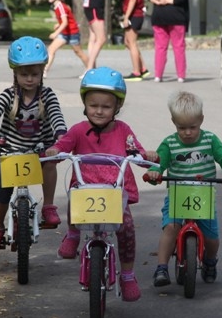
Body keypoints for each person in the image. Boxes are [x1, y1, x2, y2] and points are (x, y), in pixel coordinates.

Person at [44, 68, 157, 302]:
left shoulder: (123, 130)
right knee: (74, 197)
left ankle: (127, 275)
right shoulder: (77, 130)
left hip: (114, 192)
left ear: (117, 108)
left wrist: (147, 156)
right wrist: (55, 150)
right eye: (93, 105)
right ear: (84, 104)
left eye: (106, 107)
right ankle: (73, 234)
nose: (99, 111)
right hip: (86, 188)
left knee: (126, 228)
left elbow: (135, 149)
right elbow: (63, 144)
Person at [0, 37, 68, 258]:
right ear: (15, 73)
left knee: (50, 160)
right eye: (24, 74)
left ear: (42, 73)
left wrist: (62, 139)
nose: (29, 79)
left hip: (39, 149)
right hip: (10, 150)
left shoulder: (47, 96)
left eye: (35, 74)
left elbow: (57, 118)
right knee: (3, 192)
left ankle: (48, 205)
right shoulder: (8, 96)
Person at [146, 90, 222, 286]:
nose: (187, 132)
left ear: (201, 120)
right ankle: (161, 268)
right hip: (177, 194)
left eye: (192, 127)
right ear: (173, 122)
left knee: (212, 237)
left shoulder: (210, 140)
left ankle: (210, 261)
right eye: (182, 127)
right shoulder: (169, 143)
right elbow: (159, 164)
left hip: (203, 196)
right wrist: (154, 174)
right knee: (171, 228)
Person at [147, 0, 190, 83]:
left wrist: (157, 0)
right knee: (178, 46)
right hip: (176, 17)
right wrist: (167, 0)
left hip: (159, 16)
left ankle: (158, 75)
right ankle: (181, 75)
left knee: (160, 47)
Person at [43, 0, 87, 74]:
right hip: (64, 33)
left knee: (78, 52)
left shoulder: (61, 6)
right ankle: (44, 71)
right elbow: (64, 21)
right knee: (51, 49)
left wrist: (56, 33)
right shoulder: (57, 6)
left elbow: (65, 22)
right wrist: (58, 25)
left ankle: (90, 68)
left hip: (72, 33)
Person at [120, 0, 149, 81]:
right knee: (128, 42)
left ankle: (136, 72)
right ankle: (143, 68)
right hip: (135, 14)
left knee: (131, 43)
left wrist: (126, 17)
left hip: (134, 14)